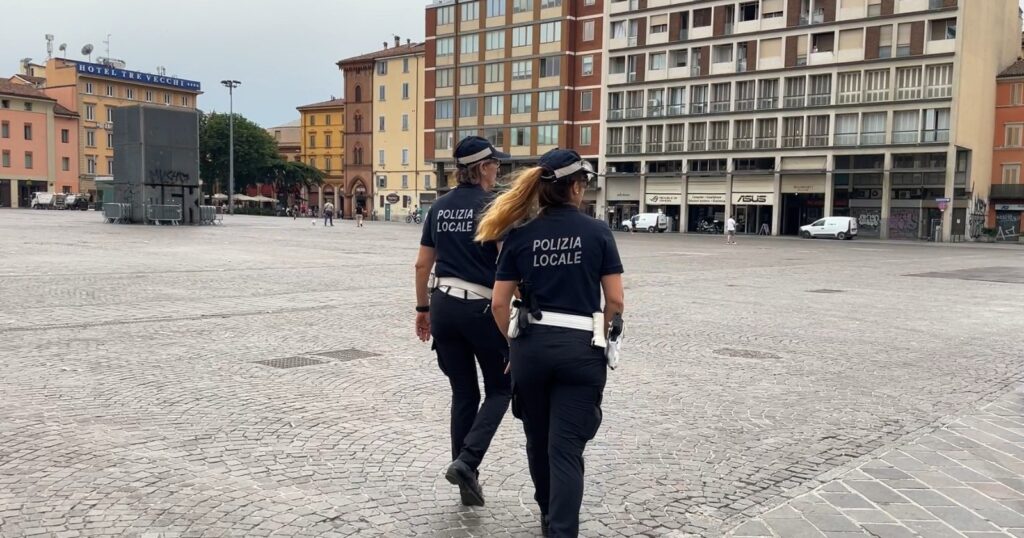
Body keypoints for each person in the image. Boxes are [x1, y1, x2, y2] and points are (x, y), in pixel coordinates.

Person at [476, 148, 625, 537]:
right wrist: (602, 333)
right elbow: (616, 301)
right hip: (580, 349)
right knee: (566, 450)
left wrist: (512, 348)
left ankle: (545, 513)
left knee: (538, 440)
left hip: (532, 349)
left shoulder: (519, 236)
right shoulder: (598, 232)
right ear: (576, 187)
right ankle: (561, 530)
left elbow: (498, 302)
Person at [413, 136, 512, 507]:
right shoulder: (496, 206)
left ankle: (466, 477)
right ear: (482, 168)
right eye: (495, 164)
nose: (498, 169)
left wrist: (423, 310)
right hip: (481, 308)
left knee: (464, 394)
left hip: (443, 307)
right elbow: (507, 265)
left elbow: (423, 264)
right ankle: (468, 462)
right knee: (502, 388)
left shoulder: (438, 207)